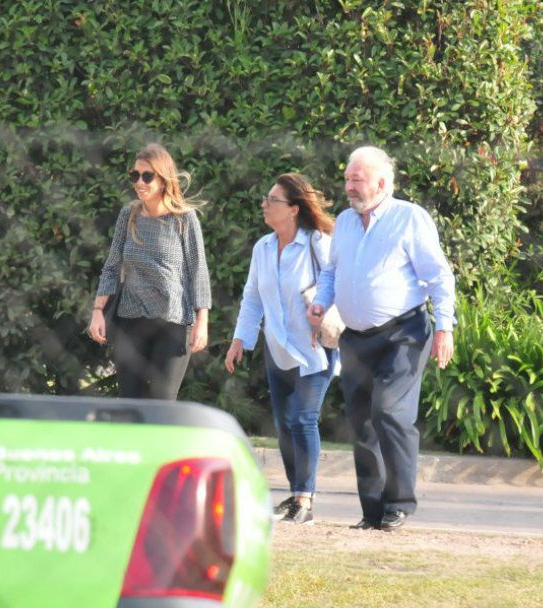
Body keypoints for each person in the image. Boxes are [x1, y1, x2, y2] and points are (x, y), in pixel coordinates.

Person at [307, 146, 456, 531]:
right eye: (347, 179)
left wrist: (444, 327)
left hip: (403, 334)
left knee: (389, 411)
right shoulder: (344, 221)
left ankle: (400, 503)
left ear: (381, 183)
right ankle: (373, 512)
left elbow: (439, 276)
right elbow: (331, 272)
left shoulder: (409, 218)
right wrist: (321, 304)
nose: (349, 187)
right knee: (362, 423)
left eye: (356, 179)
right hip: (355, 338)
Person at [225, 173, 338, 525]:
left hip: (314, 348)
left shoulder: (318, 243)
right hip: (278, 348)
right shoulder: (262, 247)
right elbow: (252, 298)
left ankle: (305, 498)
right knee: (284, 424)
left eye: (271, 200)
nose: (264, 204)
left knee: (303, 418)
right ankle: (295, 495)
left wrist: (321, 308)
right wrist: (240, 340)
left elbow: (337, 281)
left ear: (292, 209)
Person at [89, 143, 211, 399]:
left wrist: (202, 321)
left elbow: (197, 270)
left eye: (147, 176)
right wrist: (98, 312)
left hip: (173, 321)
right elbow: (112, 266)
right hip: (131, 320)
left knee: (162, 402)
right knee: (129, 401)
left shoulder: (184, 219)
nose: (139, 182)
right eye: (135, 175)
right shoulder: (129, 215)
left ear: (164, 178)